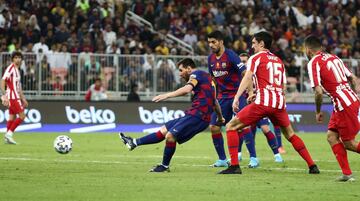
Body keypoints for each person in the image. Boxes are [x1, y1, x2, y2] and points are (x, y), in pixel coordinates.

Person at [218, 31, 320, 174]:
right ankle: (312, 165)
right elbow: (282, 85)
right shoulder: (279, 61)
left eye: (254, 43)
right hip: (278, 104)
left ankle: (234, 166)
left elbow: (247, 77)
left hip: (263, 103)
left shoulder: (255, 58)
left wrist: (237, 97)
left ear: (261, 44)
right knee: (290, 134)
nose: (252, 46)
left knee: (231, 126)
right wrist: (256, 94)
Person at [119, 58, 224, 172]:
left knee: (170, 136)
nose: (179, 74)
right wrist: (220, 117)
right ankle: (134, 142)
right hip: (195, 114)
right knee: (164, 130)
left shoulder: (195, 74)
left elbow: (187, 89)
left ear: (189, 69)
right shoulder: (208, 79)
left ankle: (164, 166)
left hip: (198, 116)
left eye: (181, 70)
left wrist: (167, 95)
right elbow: (214, 101)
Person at [304, 35, 360, 182]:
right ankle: (347, 174)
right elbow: (353, 78)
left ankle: (347, 174)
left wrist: (317, 111)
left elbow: (318, 91)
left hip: (343, 105)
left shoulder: (313, 62)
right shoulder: (334, 57)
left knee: (349, 143)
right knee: (331, 137)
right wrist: (353, 95)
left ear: (308, 50)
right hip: (346, 101)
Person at [207, 30, 257, 168]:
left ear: (221, 42)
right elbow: (213, 80)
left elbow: (246, 74)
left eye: (214, 42)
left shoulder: (231, 56)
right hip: (222, 98)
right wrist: (212, 97)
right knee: (214, 127)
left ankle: (253, 158)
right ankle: (222, 159)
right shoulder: (210, 59)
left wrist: (251, 92)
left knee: (243, 126)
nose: (211, 45)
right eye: (209, 42)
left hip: (237, 96)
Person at [238, 52, 284, 164]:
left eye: (245, 61)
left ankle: (277, 154)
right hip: (244, 105)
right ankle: (241, 154)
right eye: (241, 62)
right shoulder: (237, 76)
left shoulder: (255, 74)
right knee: (242, 128)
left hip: (258, 105)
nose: (243, 64)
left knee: (265, 128)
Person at [1, 51, 28, 144]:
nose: (18, 59)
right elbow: (3, 81)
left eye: (19, 57)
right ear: (12, 59)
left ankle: (6, 139)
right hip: (12, 97)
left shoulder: (17, 70)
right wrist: (4, 95)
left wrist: (23, 98)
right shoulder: (11, 68)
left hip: (16, 96)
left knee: (11, 117)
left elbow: (18, 87)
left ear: (21, 59)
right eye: (16, 57)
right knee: (22, 116)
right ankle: (9, 134)